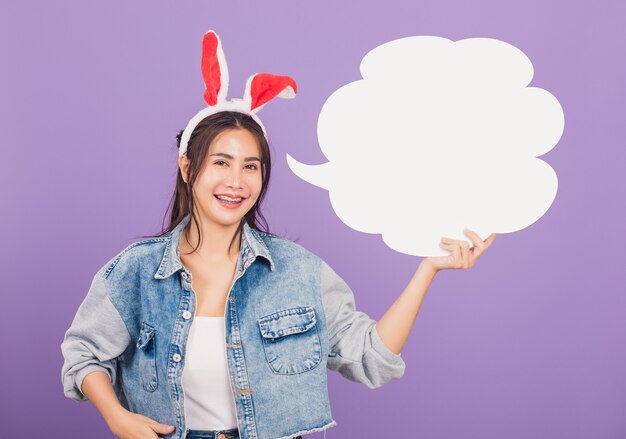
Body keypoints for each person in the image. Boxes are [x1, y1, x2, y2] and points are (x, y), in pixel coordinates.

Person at [60, 31, 496, 439]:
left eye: (251, 166)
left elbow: (371, 360)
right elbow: (84, 353)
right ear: (188, 167)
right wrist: (116, 416)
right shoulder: (137, 270)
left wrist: (428, 270)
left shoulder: (298, 271)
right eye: (221, 162)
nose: (236, 181)